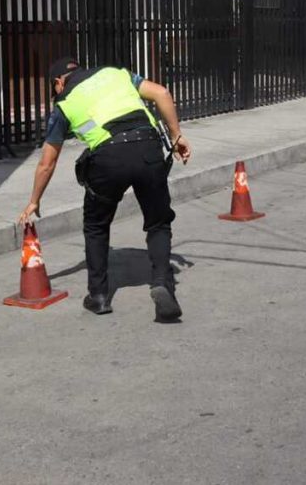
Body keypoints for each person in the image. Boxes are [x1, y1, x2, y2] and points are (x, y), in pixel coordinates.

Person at [18, 58, 192, 321]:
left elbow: (47, 162)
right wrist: (177, 135)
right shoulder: (115, 74)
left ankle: (99, 296)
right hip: (148, 147)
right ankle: (161, 284)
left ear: (57, 83)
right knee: (158, 222)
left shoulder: (63, 104)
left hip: (108, 159)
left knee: (97, 225)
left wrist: (34, 200)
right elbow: (161, 93)